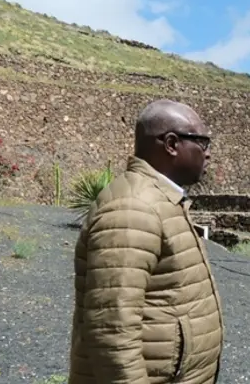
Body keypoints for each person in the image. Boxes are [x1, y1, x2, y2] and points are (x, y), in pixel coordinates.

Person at [68, 99, 224, 384]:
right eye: (202, 143)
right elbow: (112, 330)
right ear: (171, 144)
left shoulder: (161, 200)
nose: (209, 154)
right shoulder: (133, 208)